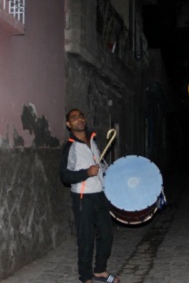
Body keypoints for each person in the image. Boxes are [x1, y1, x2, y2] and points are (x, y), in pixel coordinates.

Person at [59, 109, 120, 283]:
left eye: (81, 116)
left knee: (106, 234)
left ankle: (100, 270)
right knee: (86, 238)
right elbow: (64, 175)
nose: (79, 119)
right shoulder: (70, 147)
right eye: (74, 118)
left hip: (99, 195)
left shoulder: (93, 141)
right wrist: (85, 172)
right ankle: (85, 277)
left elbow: (99, 164)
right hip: (82, 197)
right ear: (68, 124)